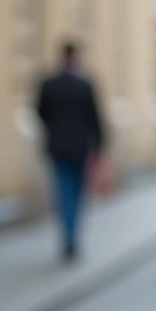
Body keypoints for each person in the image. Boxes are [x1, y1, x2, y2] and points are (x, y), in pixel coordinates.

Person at [36, 40, 105, 262]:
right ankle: (73, 235)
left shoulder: (49, 83)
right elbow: (95, 117)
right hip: (80, 146)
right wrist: (100, 146)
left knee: (63, 191)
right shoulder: (84, 84)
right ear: (76, 57)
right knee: (76, 193)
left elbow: (40, 112)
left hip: (57, 146)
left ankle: (67, 235)